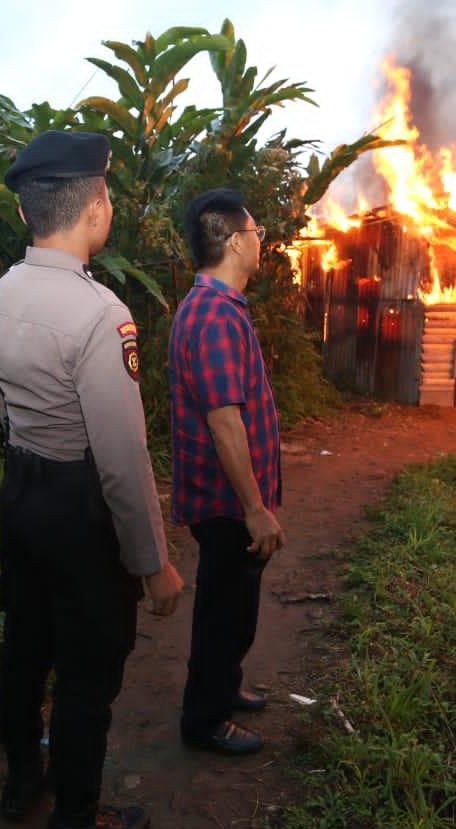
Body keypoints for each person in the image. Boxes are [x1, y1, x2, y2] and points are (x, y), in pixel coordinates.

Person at [0, 130, 183, 829]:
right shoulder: (102, 315)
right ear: (94, 204)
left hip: (22, 488)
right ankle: (76, 818)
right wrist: (150, 561)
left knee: (26, 644)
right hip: (76, 505)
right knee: (88, 669)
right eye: (109, 193)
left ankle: (21, 781)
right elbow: (122, 459)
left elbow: (4, 409)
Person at [169, 188, 284, 756]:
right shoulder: (215, 317)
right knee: (222, 612)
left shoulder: (219, 306)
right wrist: (255, 509)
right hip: (226, 504)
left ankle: (225, 689)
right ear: (236, 241)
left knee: (235, 606)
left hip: (227, 499)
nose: (262, 240)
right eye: (258, 232)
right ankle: (205, 719)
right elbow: (224, 424)